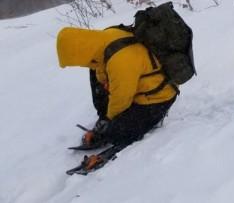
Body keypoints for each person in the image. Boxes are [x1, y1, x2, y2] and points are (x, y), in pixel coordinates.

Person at [56, 26, 178, 166]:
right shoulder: (104, 38)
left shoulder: (121, 59)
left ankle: (124, 128)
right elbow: (100, 67)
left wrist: (110, 123)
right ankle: (108, 122)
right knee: (94, 71)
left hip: (158, 98)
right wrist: (105, 84)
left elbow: (121, 100)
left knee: (117, 132)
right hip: (139, 85)